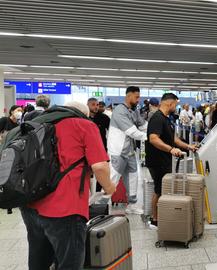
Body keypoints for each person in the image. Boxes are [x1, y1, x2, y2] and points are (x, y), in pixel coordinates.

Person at [21, 101, 116, 270]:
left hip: (30, 204)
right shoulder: (84, 125)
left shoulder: (38, 122)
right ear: (82, 114)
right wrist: (109, 188)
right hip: (65, 207)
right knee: (69, 263)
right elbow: (100, 166)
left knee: (39, 261)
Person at [146, 93, 198, 227]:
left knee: (163, 188)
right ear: (170, 103)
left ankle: (160, 216)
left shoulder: (166, 118)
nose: (176, 107)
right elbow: (153, 139)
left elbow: (173, 138)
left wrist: (188, 146)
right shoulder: (157, 118)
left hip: (164, 160)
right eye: (175, 104)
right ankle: (154, 220)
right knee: (159, 189)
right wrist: (170, 149)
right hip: (157, 161)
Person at [108, 86, 148, 214]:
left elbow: (142, 125)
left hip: (130, 151)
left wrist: (154, 130)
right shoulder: (119, 111)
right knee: (112, 180)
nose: (138, 99)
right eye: (136, 97)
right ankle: (98, 207)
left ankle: (132, 205)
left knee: (133, 178)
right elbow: (132, 131)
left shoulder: (133, 110)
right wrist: (151, 137)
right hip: (118, 151)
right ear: (128, 95)